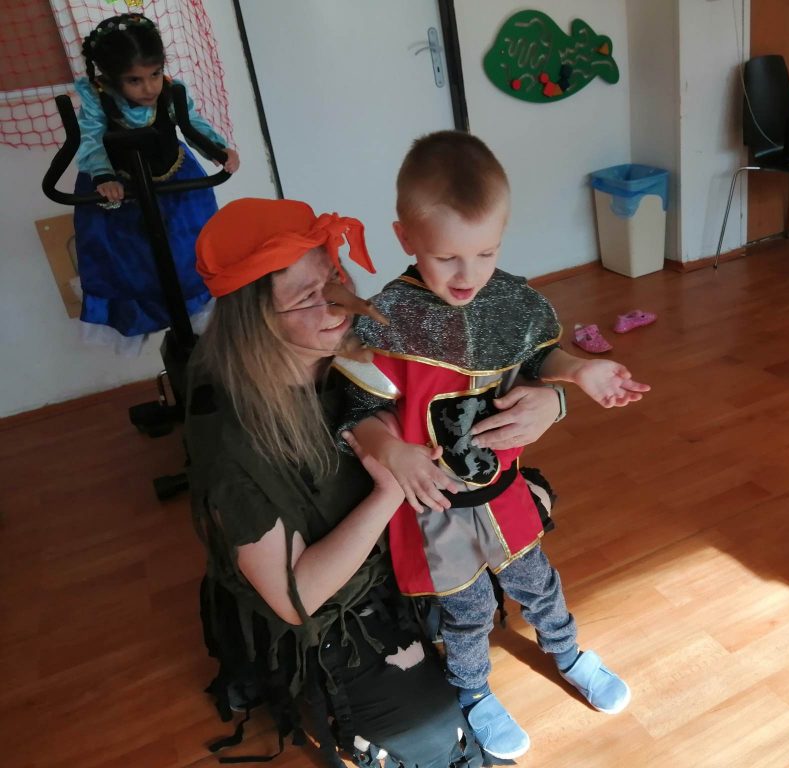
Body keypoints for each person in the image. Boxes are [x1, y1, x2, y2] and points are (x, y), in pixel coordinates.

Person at [187, 197, 564, 767]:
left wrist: (552, 399)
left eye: (334, 278)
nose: (337, 302)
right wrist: (389, 490)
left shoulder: (364, 348)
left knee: (523, 515)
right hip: (340, 601)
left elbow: (487, 370)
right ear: (254, 323)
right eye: (306, 297)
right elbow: (298, 598)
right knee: (432, 739)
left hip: (414, 538)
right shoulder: (232, 444)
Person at [334, 131, 650, 761]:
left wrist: (577, 372)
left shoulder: (509, 300)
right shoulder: (388, 319)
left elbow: (536, 358)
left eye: (486, 252)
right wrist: (389, 450)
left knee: (539, 582)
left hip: (504, 489)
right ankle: (474, 692)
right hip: (437, 509)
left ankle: (568, 652)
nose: (469, 275)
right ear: (405, 238)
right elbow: (357, 409)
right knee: (468, 610)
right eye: (447, 257)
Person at [73, 12, 239, 353]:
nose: (149, 87)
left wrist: (217, 150)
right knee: (131, 255)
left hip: (176, 177)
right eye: (134, 80)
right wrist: (104, 177)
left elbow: (191, 124)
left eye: (154, 74)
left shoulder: (170, 90)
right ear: (111, 78)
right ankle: (144, 314)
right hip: (120, 185)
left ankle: (198, 315)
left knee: (191, 246)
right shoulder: (97, 96)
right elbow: (91, 138)